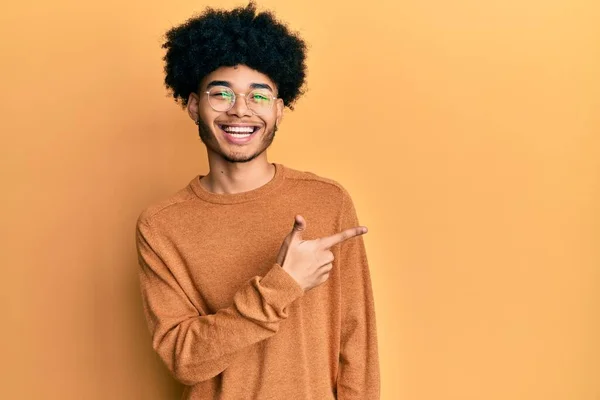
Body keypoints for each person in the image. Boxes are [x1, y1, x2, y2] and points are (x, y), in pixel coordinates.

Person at [135, 3, 380, 399]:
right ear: (194, 105)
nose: (240, 110)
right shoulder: (161, 225)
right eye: (221, 93)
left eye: (259, 96)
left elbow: (357, 345)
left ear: (280, 111)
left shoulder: (326, 201)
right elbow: (185, 360)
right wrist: (282, 285)